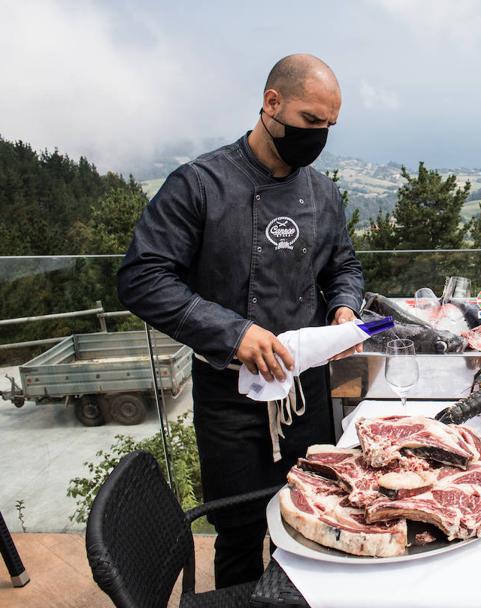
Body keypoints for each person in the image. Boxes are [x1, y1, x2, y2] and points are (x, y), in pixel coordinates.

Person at [117, 54, 363, 588]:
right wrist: (234, 333)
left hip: (306, 390)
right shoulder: (199, 183)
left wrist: (345, 306)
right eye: (310, 121)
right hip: (229, 398)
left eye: (329, 126)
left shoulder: (321, 192)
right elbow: (142, 276)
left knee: (311, 512)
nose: (319, 136)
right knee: (237, 531)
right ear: (271, 103)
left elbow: (342, 264)